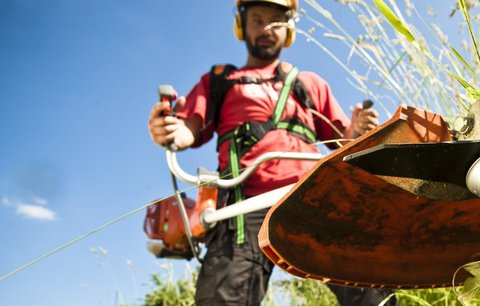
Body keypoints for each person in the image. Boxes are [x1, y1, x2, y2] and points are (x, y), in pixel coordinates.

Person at [148, 1, 396, 305]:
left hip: (310, 196)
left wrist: (356, 129)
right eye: (257, 19)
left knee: (371, 290)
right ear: (241, 25)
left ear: (289, 29)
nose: (266, 28)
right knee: (222, 298)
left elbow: (344, 144)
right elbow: (189, 128)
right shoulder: (220, 81)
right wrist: (171, 131)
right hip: (242, 206)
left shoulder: (310, 84)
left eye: (276, 21)